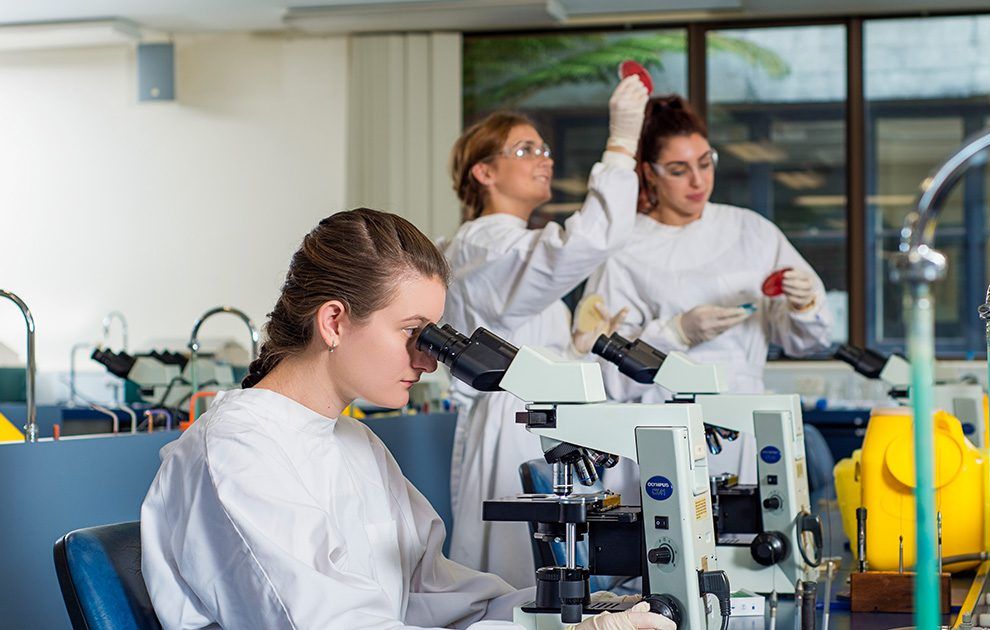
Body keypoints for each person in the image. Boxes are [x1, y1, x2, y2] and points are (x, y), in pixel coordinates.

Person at [140, 208, 672, 630]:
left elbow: (437, 598)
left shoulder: (355, 442)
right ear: (334, 321)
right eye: (412, 332)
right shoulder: (238, 449)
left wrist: (574, 611)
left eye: (434, 336)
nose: (428, 358)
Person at [441, 76, 646, 587]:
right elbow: (587, 239)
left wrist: (572, 347)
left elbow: (518, 317)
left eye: (545, 148)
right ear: (484, 171)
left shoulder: (508, 245)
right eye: (526, 148)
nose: (545, 158)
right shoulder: (486, 242)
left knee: (563, 570)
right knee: (523, 578)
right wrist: (620, 146)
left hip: (540, 417)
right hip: (516, 421)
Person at [582, 95, 833, 480]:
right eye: (679, 170)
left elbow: (810, 342)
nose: (698, 181)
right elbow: (603, 371)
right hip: (661, 428)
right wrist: (673, 333)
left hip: (745, 424)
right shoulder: (625, 248)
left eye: (705, 163)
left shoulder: (752, 231)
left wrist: (804, 307)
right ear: (649, 173)